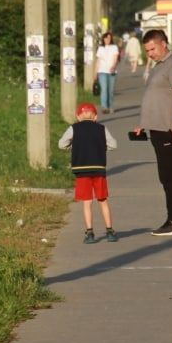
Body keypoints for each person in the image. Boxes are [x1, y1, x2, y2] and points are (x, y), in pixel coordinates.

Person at [134, 29, 172, 237]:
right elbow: (156, 97)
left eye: (152, 49)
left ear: (163, 44)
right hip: (156, 129)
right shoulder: (160, 66)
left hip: (169, 129)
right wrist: (143, 123)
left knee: (171, 175)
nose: (149, 54)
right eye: (147, 50)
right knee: (165, 175)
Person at [59, 102, 118, 243]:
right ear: (96, 117)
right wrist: (102, 149)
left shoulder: (74, 128)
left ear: (78, 116)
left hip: (82, 170)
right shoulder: (101, 128)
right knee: (103, 200)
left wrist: (73, 147)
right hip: (99, 169)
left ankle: (90, 233)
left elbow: (61, 144)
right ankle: (110, 231)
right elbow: (113, 145)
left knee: (87, 202)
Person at [94, 31, 120, 113]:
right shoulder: (100, 48)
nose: (107, 39)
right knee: (104, 89)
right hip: (102, 71)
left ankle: (110, 106)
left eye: (109, 38)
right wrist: (95, 73)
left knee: (110, 90)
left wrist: (113, 66)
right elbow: (98, 61)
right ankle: (104, 107)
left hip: (112, 71)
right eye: (106, 38)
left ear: (111, 39)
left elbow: (116, 58)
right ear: (103, 39)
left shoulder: (114, 47)